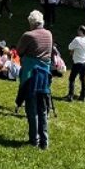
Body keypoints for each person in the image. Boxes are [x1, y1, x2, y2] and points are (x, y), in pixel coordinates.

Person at [16, 10, 53, 149]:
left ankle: (34, 139)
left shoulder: (28, 35)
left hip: (31, 76)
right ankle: (44, 141)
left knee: (32, 109)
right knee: (42, 109)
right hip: (45, 75)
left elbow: (19, 51)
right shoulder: (49, 34)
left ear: (31, 23)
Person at [66, 25, 85, 101]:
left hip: (78, 62)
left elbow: (70, 47)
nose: (78, 31)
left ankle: (70, 96)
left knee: (72, 79)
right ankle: (82, 96)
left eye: (79, 30)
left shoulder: (77, 39)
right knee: (83, 79)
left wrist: (73, 50)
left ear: (81, 31)